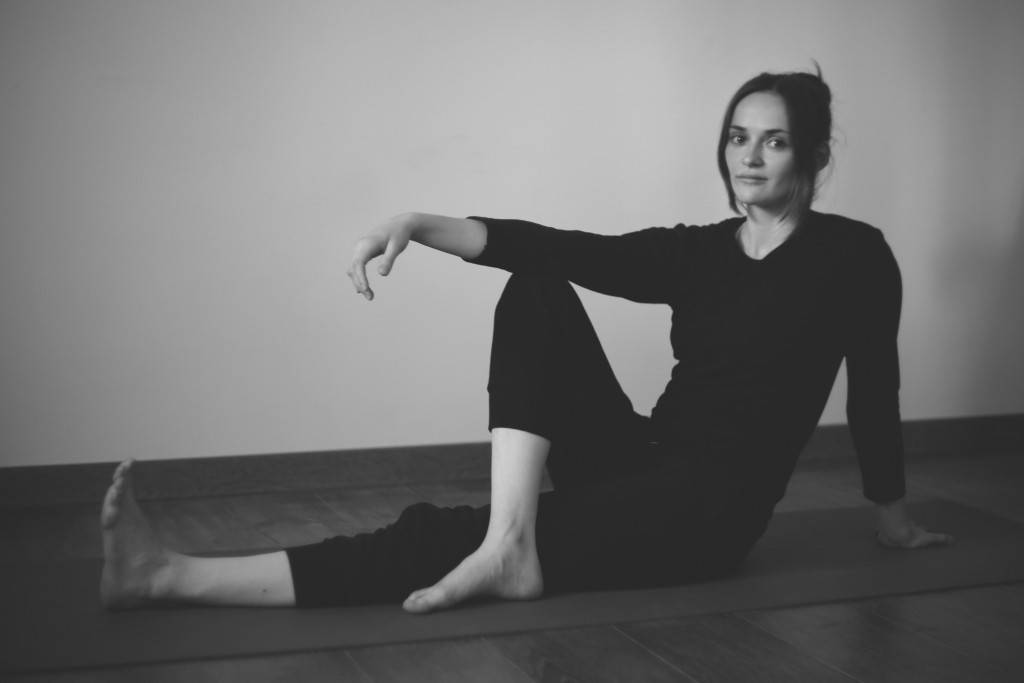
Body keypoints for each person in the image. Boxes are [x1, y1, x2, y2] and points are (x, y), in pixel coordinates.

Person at [99, 66, 954, 612]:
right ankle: (510, 538)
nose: (750, 157)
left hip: (708, 515)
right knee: (538, 286)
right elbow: (560, 248)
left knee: (441, 533)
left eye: (774, 141)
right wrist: (419, 222)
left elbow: (874, 389)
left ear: (813, 154)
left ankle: (168, 575)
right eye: (738, 137)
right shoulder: (699, 251)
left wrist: (892, 518)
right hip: (644, 461)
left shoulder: (853, 257)